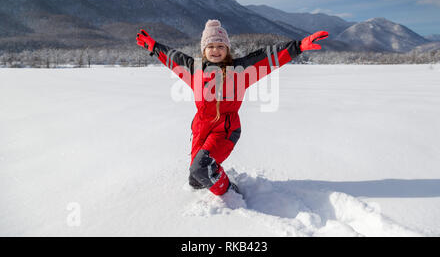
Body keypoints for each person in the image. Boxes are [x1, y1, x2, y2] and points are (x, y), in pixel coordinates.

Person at [136, 19, 328, 196]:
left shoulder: (240, 71)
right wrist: (153, 46)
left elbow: (268, 57)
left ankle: (231, 193)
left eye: (220, 46)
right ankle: (215, 175)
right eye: (210, 46)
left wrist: (298, 46)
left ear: (227, 49)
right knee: (196, 180)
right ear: (204, 49)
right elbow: (173, 57)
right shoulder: (194, 69)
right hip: (201, 129)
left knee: (201, 169)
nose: (215, 50)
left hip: (225, 130)